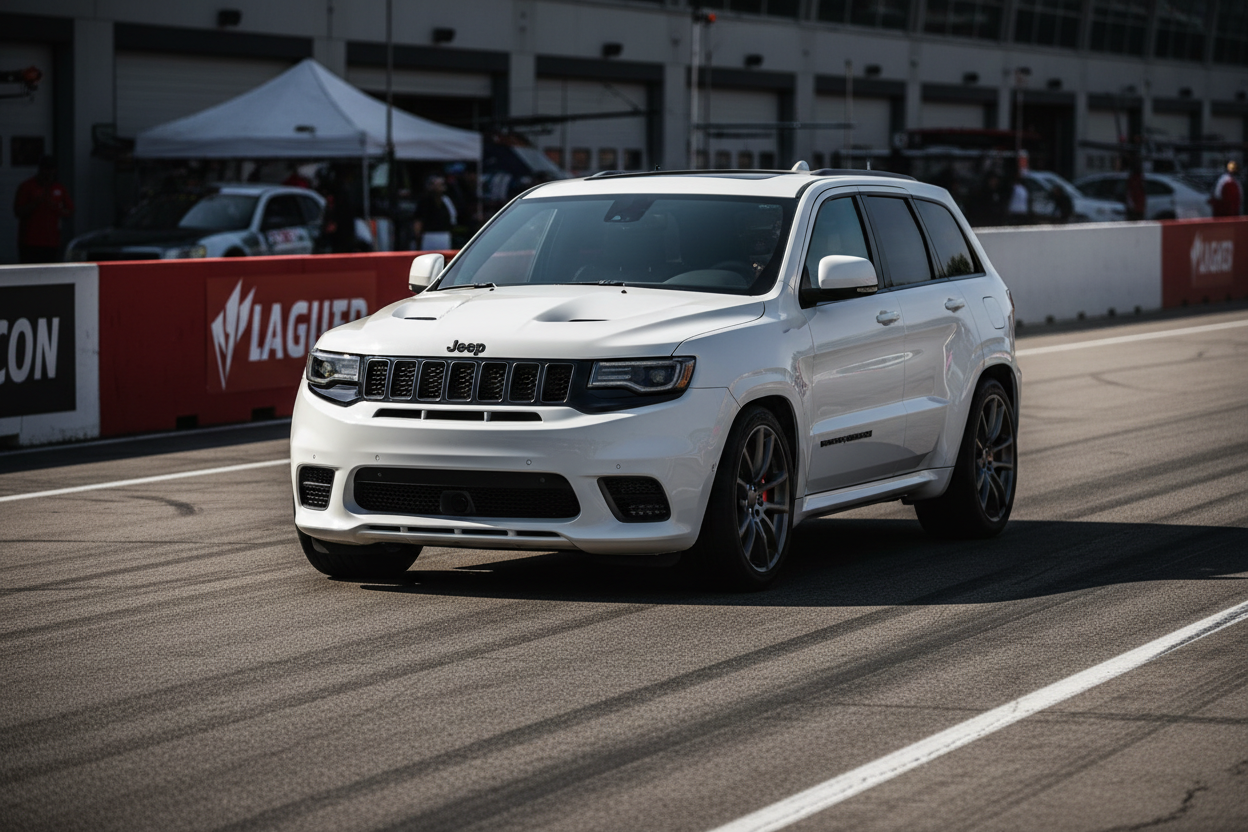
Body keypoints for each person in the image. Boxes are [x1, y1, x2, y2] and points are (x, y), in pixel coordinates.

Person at [13, 155, 74, 263]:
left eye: (51, 169)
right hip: (30, 241)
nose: (49, 173)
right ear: (40, 169)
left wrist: (55, 206)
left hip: (52, 241)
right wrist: (36, 202)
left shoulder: (59, 188)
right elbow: (18, 211)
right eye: (46, 169)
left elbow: (69, 211)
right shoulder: (27, 186)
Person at [413, 175, 457, 251]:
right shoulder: (424, 201)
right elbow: (418, 220)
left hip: (444, 235)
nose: (441, 187)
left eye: (442, 184)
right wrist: (417, 237)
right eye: (438, 184)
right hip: (429, 235)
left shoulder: (446, 200)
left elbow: (453, 216)